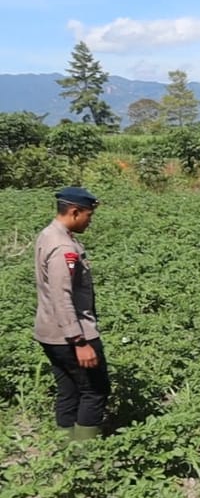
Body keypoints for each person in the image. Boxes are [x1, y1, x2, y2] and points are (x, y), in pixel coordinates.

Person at [34, 186, 110, 442]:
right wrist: (80, 342)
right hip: (71, 334)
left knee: (68, 390)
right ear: (75, 212)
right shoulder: (62, 247)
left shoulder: (48, 234)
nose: (90, 221)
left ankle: (65, 450)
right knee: (95, 390)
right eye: (89, 215)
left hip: (50, 332)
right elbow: (61, 295)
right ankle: (84, 455)